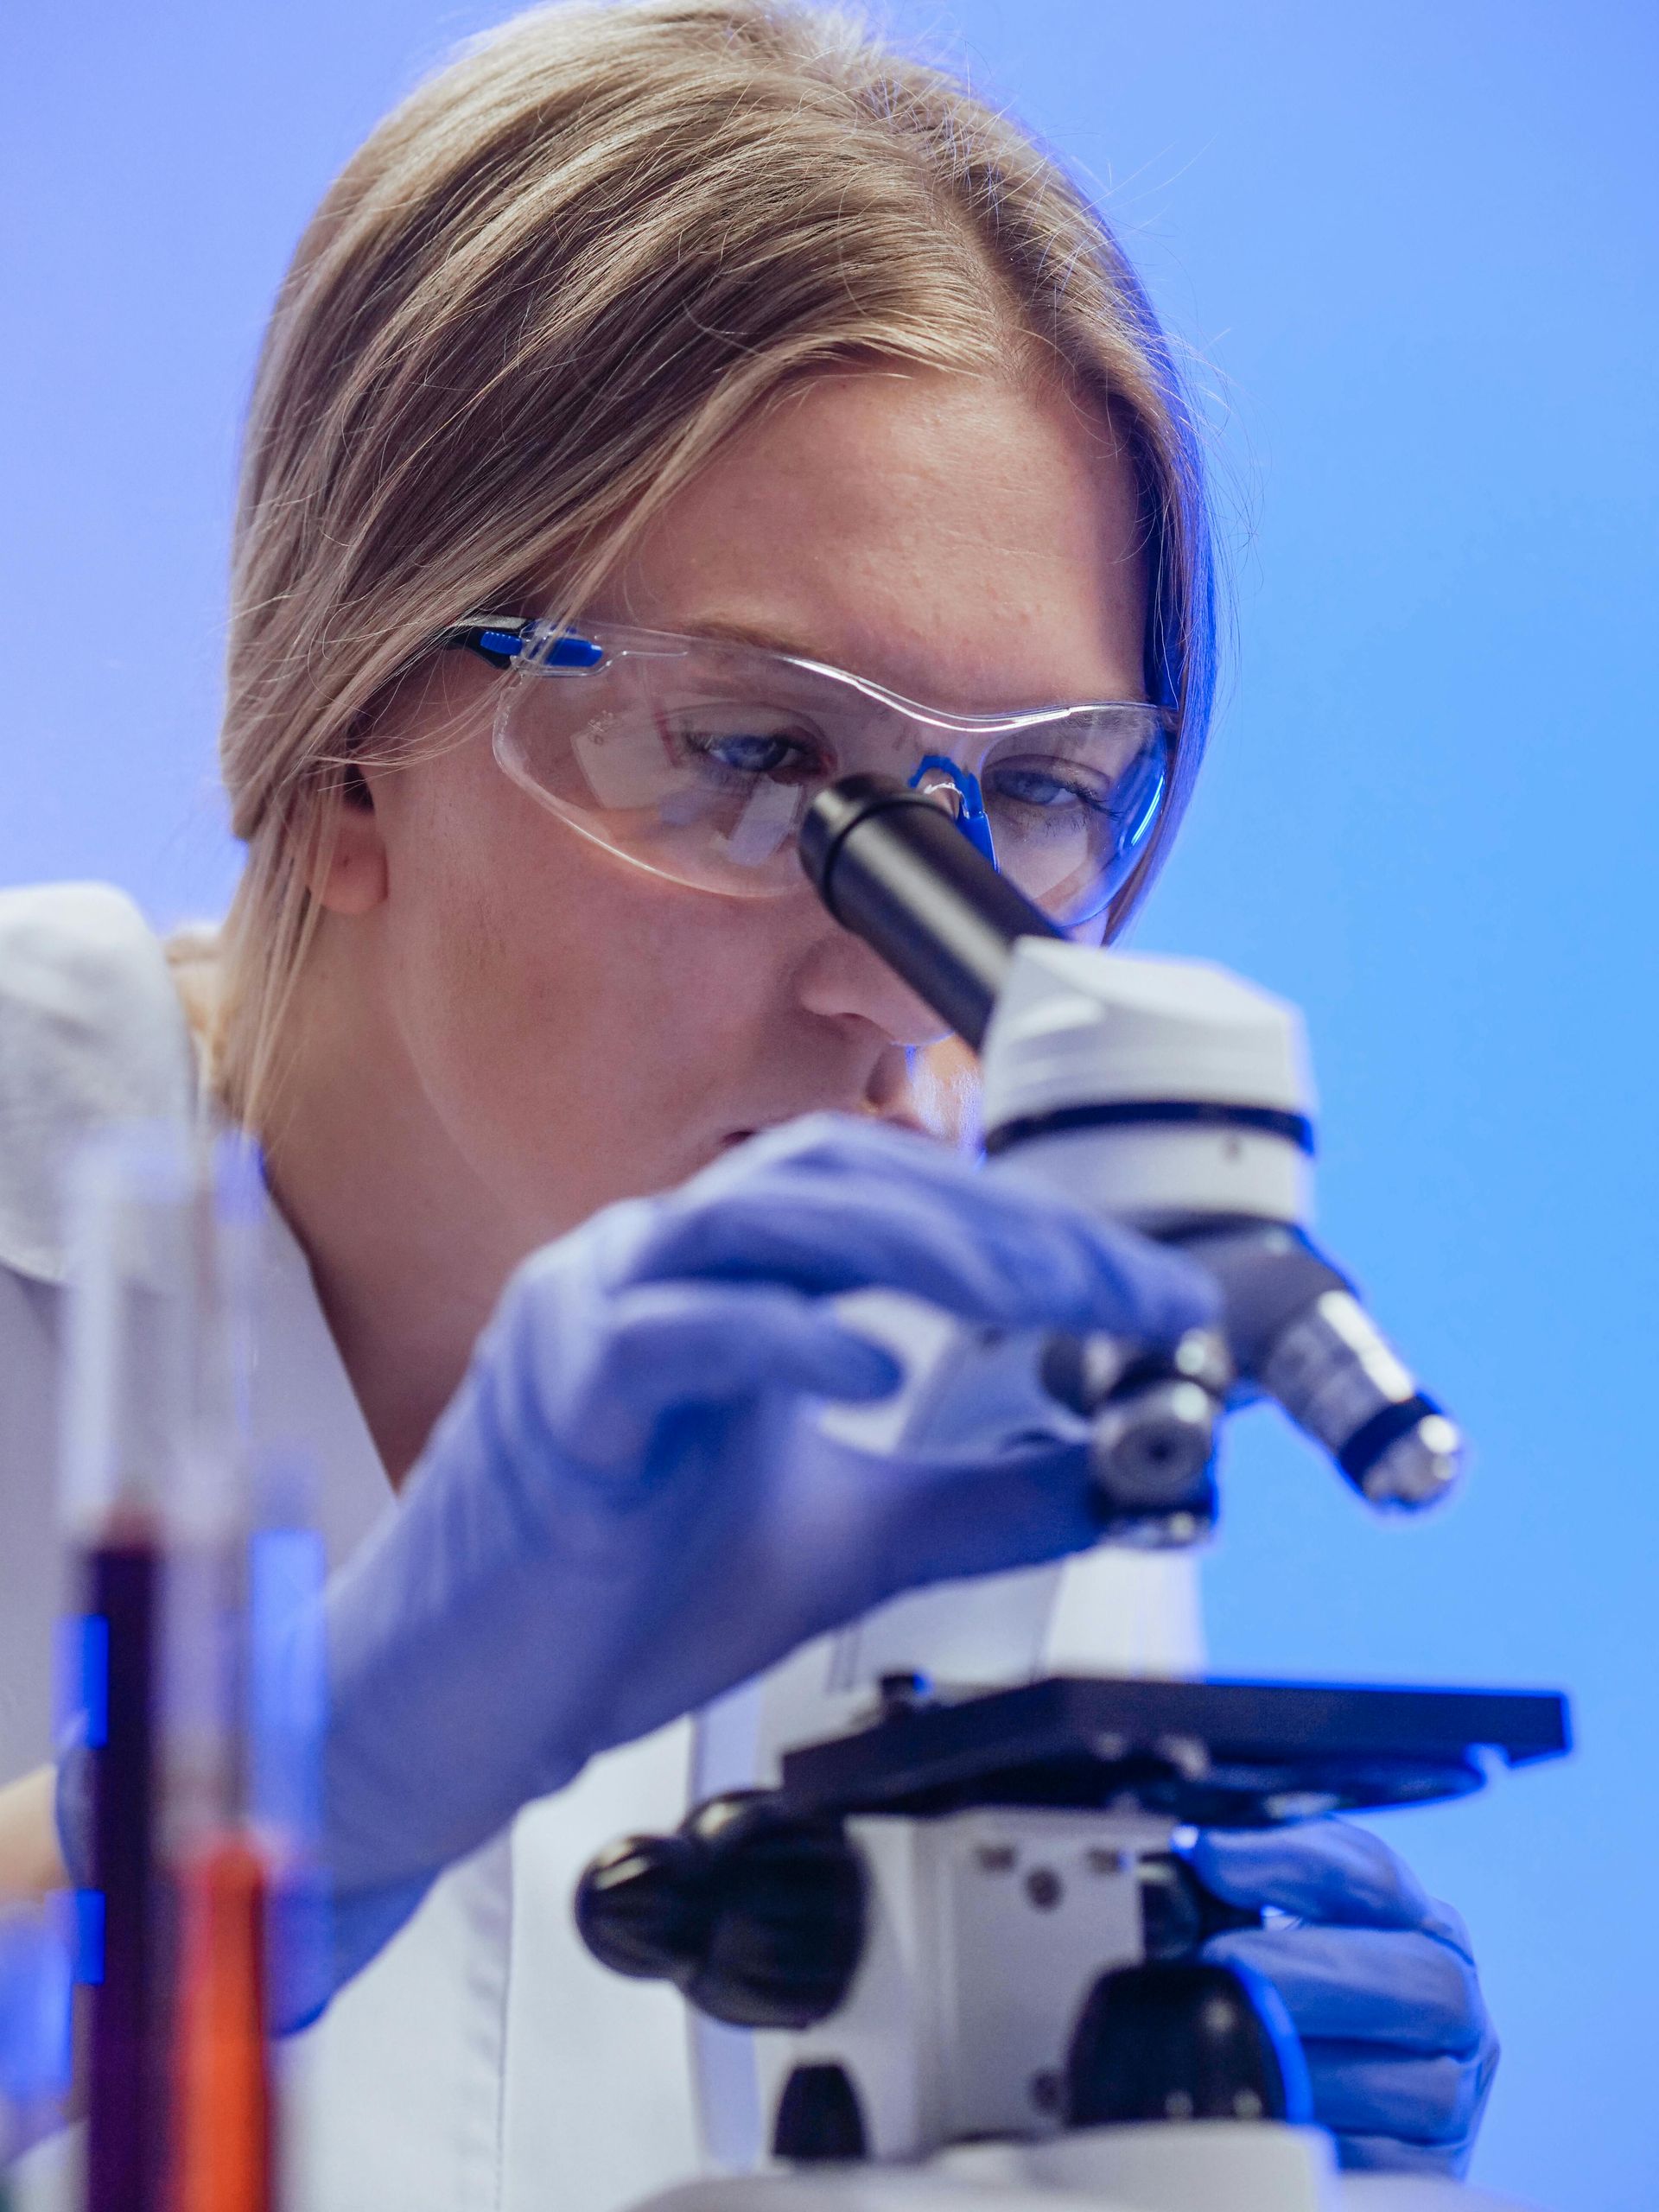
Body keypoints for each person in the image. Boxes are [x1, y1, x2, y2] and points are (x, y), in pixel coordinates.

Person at [0, 3, 1497, 2205]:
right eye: (748, 754)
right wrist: (309, 1791)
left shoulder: (968, 1407)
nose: (901, 967)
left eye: (1040, 797)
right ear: (339, 738)